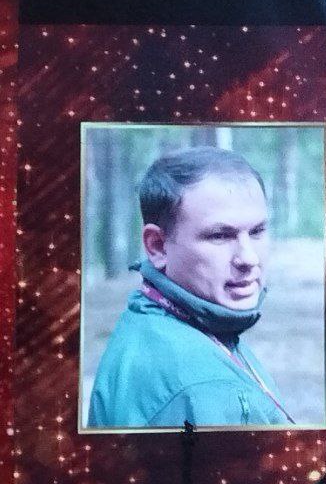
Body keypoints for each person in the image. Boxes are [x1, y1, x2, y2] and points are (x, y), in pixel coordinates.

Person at [87, 147, 293, 428]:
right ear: (158, 247)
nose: (248, 258)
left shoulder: (170, 320)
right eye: (219, 235)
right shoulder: (200, 387)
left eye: (257, 231)